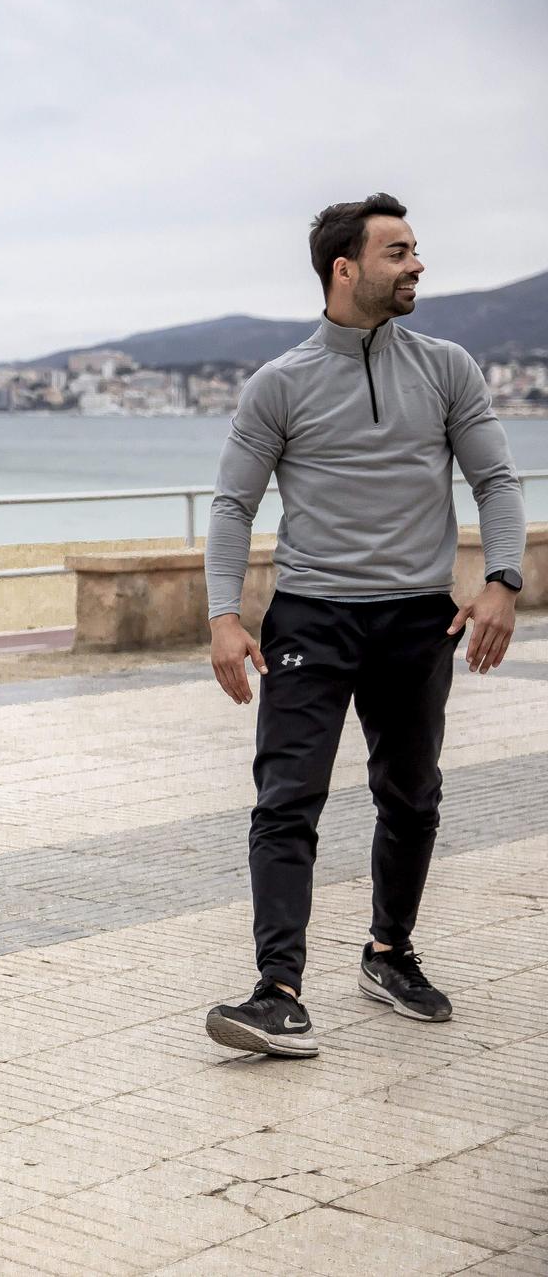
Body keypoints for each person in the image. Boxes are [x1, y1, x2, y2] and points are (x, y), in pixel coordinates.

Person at [202, 193, 525, 1058]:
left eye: (416, 249)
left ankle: (389, 951)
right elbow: (234, 505)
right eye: (397, 252)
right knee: (287, 799)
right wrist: (224, 616)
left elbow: (496, 481)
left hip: (420, 619)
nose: (416, 264)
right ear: (345, 268)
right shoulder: (281, 383)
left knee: (411, 794)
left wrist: (501, 579)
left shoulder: (448, 367)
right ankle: (277, 990)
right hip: (312, 616)